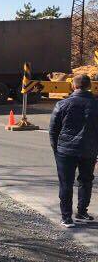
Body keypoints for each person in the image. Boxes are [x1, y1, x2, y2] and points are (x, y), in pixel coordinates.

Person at [49, 74, 98, 227]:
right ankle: (82, 212)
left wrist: (57, 149)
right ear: (90, 86)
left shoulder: (62, 104)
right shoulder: (96, 105)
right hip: (89, 150)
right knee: (86, 181)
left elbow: (53, 131)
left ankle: (66, 217)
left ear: (73, 86)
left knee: (66, 183)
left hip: (65, 151)